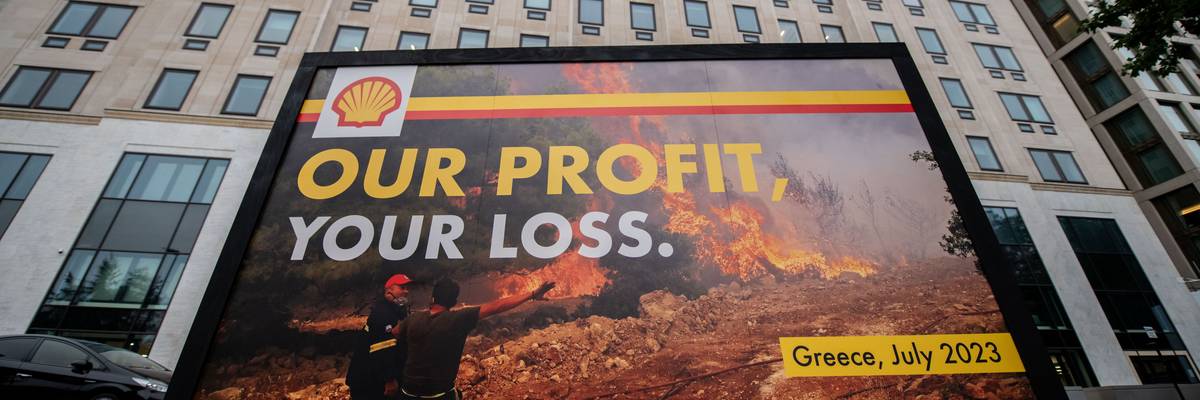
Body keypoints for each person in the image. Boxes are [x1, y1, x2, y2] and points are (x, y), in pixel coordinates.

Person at [396, 278, 555, 400]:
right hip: (438, 394)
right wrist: (532, 294)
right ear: (454, 302)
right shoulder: (457, 319)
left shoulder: (413, 319)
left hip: (408, 391)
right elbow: (496, 306)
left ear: (433, 298)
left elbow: (395, 332)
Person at [347, 273, 414, 400]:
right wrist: (389, 380)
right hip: (369, 381)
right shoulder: (382, 313)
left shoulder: (395, 309)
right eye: (402, 287)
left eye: (407, 288)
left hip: (377, 375)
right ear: (389, 290)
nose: (406, 291)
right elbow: (382, 347)